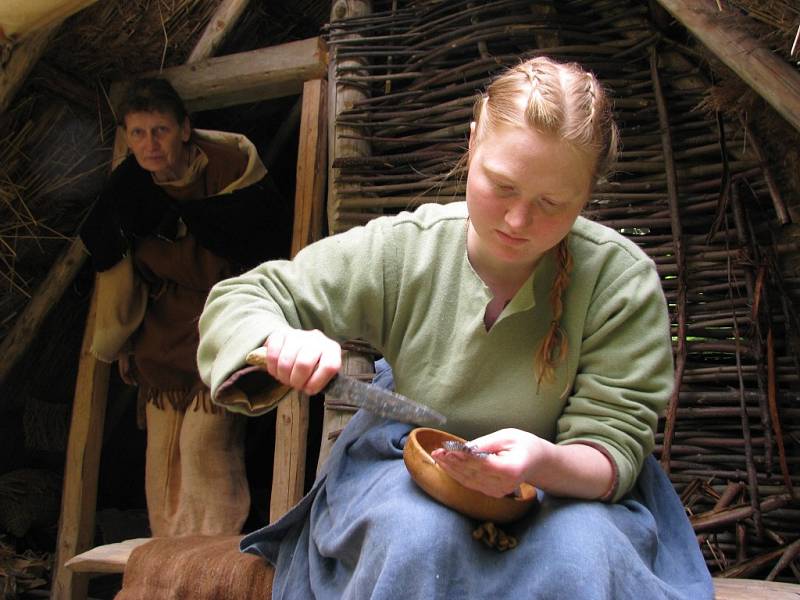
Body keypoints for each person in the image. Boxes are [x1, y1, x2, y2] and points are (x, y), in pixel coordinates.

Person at [197, 57, 713, 598]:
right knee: (417, 539)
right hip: (404, 466)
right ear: (472, 145)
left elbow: (613, 446)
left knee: (578, 556)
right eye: (502, 186)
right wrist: (278, 340)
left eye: (552, 204)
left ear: (587, 194)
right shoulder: (405, 251)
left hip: (566, 487)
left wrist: (542, 463)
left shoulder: (619, 281)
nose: (518, 221)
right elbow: (245, 297)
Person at [79, 78, 292, 537]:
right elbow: (119, 267)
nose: (149, 144)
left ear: (184, 129)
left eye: (159, 130)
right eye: (137, 133)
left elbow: (236, 256)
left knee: (204, 448)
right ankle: (171, 565)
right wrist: (121, 343)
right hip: (160, 340)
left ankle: (210, 567)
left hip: (220, 331)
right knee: (164, 459)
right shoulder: (129, 192)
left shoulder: (230, 171)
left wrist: (159, 255)